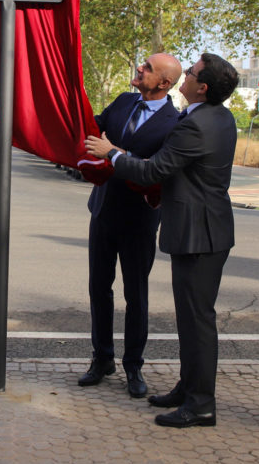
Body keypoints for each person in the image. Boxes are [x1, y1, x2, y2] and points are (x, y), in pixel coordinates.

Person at [85, 52, 239, 428]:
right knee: (190, 320)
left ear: (200, 87)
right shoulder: (215, 116)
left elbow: (155, 169)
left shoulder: (192, 124)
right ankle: (188, 389)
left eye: (192, 72)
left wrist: (113, 153)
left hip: (197, 232)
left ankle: (200, 404)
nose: (187, 74)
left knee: (197, 322)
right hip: (195, 229)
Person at [79, 53, 182, 398]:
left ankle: (133, 365)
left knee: (135, 296)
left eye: (148, 68)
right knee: (98, 288)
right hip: (103, 210)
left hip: (139, 219)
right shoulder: (124, 101)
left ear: (165, 83)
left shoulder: (175, 122)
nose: (140, 69)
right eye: (143, 64)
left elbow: (158, 170)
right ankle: (102, 359)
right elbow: (92, 127)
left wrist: (114, 152)